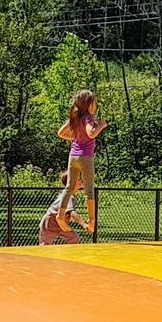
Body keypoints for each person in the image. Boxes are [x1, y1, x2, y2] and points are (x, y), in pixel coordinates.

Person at [55, 90, 106, 235]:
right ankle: (92, 221)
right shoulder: (88, 119)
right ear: (89, 105)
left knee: (69, 187)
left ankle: (60, 215)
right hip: (85, 157)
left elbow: (60, 133)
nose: (96, 105)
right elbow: (91, 133)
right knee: (89, 190)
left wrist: (73, 139)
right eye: (94, 102)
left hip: (73, 156)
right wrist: (101, 125)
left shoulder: (75, 118)